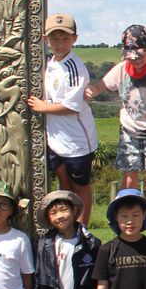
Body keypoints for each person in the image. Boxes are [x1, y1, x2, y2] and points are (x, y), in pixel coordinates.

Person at [87, 24, 146, 242]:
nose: (135, 60)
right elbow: (99, 87)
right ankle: (125, 230)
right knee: (129, 179)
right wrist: (89, 91)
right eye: (130, 56)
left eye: (140, 55)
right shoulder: (121, 69)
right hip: (129, 130)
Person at [27, 13, 98, 225]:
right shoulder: (47, 63)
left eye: (65, 38)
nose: (60, 44)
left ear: (74, 39)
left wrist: (43, 108)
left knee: (80, 187)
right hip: (55, 139)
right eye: (54, 38)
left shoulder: (74, 66)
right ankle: (67, 226)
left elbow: (71, 106)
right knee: (64, 185)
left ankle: (82, 228)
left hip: (77, 141)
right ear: (45, 39)